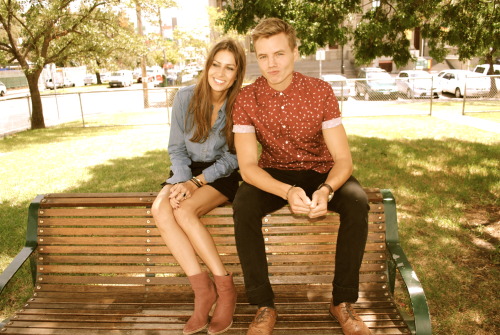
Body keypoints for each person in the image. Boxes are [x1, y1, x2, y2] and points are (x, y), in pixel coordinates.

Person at [232, 18, 372, 335]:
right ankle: (264, 305)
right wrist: (286, 191)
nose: (272, 63)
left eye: (279, 54)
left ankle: (342, 301)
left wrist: (327, 189)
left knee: (356, 202)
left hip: (321, 169)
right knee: (244, 205)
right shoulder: (246, 98)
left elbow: (342, 159)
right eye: (263, 56)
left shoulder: (320, 92)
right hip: (275, 172)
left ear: (295, 52)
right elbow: (248, 168)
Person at [152, 39, 246, 335]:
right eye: (216, 64)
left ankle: (225, 287)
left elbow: (234, 156)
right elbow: (176, 148)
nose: (220, 73)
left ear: (237, 73)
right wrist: (182, 181)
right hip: (187, 169)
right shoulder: (184, 97)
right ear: (207, 66)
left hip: (224, 173)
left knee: (185, 210)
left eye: (229, 67)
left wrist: (197, 183)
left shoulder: (240, 103)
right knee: (161, 209)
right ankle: (203, 291)